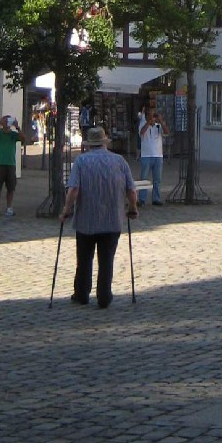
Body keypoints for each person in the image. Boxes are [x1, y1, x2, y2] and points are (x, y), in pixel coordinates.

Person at [61, 126, 137, 309]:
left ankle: (82, 294)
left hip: (86, 219)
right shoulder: (119, 161)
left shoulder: (81, 161)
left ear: (88, 145)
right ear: (104, 143)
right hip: (112, 220)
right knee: (106, 260)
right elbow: (131, 190)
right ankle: (104, 296)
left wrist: (66, 210)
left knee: (84, 259)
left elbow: (73, 189)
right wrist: (133, 208)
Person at [0, 113, 21, 216]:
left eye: (8, 121)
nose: (7, 123)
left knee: (11, 188)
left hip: (10, 164)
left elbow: (24, 138)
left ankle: (9, 208)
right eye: (5, 121)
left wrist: (17, 127)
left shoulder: (13, 134)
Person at [137, 102, 164, 206]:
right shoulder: (143, 124)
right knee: (144, 178)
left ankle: (156, 198)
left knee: (157, 179)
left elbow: (167, 132)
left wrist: (161, 121)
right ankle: (142, 199)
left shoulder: (158, 126)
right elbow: (141, 132)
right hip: (146, 155)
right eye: (151, 115)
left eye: (154, 115)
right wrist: (148, 122)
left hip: (158, 155)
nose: (153, 117)